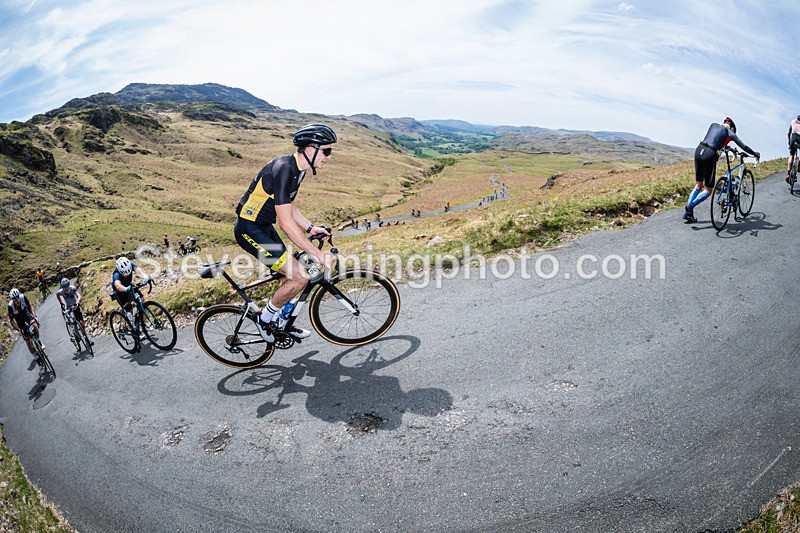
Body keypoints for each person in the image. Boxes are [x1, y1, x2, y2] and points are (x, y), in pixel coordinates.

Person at [234, 123, 338, 341]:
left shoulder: (298, 170)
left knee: (288, 276)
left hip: (263, 228)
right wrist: (318, 254)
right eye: (326, 150)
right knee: (299, 276)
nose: (328, 156)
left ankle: (281, 322)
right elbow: (286, 224)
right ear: (310, 148)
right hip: (249, 230)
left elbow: (287, 204)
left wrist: (310, 227)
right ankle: (265, 320)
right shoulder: (284, 168)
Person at [684, 117, 760, 223]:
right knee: (708, 190)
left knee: (698, 185)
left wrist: (730, 149)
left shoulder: (713, 125)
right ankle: (690, 206)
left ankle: (688, 214)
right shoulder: (730, 132)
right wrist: (755, 154)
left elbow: (715, 140)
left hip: (699, 150)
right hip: (709, 154)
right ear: (732, 128)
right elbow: (743, 146)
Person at [56, 277, 93, 350]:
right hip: (69, 309)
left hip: (76, 307)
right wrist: (61, 303)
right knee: (72, 323)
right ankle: (74, 335)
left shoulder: (73, 288)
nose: (66, 289)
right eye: (64, 288)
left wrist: (77, 302)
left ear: (69, 285)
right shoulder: (61, 292)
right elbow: (57, 294)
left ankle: (86, 339)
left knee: (82, 324)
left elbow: (79, 296)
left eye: (67, 287)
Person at [111, 256, 150, 324]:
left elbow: (139, 270)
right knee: (130, 311)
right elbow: (117, 285)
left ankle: (143, 323)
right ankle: (130, 326)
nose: (128, 275)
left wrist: (145, 277)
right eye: (125, 274)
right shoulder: (116, 274)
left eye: (129, 273)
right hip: (120, 292)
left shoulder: (130, 265)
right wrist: (126, 289)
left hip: (129, 287)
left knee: (142, 299)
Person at [7, 288, 42, 357]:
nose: (17, 300)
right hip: (18, 318)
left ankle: (38, 341)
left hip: (25, 312)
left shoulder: (23, 297)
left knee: (34, 325)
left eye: (17, 298)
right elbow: (12, 321)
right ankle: (35, 356)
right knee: (27, 340)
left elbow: (30, 306)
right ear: (12, 300)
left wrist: (34, 316)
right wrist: (19, 329)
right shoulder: (10, 307)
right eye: (15, 299)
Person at [787, 115, 800, 183]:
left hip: (794, 138)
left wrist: (789, 141)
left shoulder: (793, 122)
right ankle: (799, 165)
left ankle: (788, 173)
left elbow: (789, 133)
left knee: (791, 155)